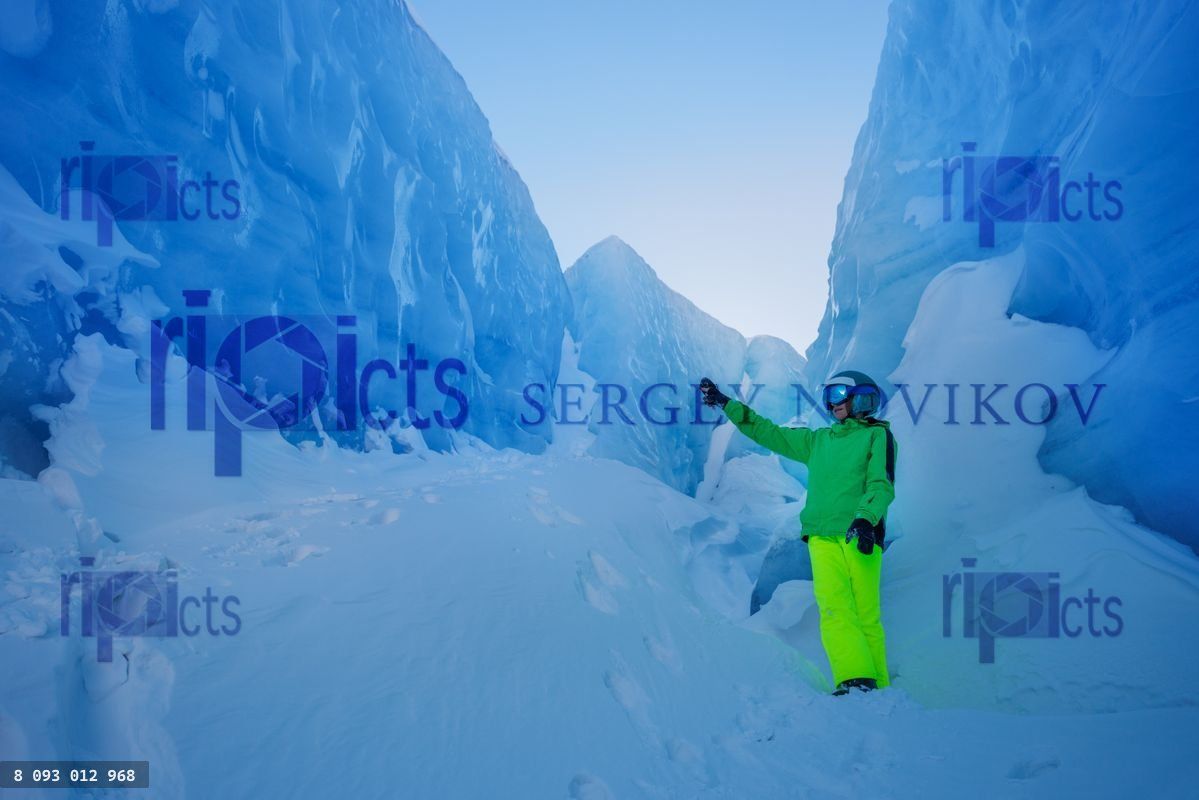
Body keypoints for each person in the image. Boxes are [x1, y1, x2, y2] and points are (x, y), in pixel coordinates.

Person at [698, 372, 896, 696]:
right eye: (829, 394)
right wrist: (725, 403)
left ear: (861, 397)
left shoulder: (877, 436)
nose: (833, 402)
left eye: (840, 392)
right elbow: (767, 432)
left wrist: (866, 518)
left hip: (860, 532)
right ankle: (853, 678)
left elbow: (881, 483)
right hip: (821, 537)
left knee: (865, 611)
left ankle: (878, 684)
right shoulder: (817, 441)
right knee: (833, 608)